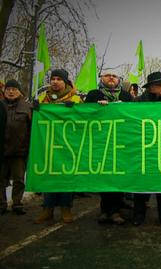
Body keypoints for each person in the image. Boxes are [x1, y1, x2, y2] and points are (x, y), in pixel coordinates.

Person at [85, 70, 133, 225]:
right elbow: (85, 115)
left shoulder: (126, 97)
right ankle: (105, 210)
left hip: (121, 143)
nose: (111, 78)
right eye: (107, 75)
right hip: (101, 143)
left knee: (117, 177)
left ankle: (115, 211)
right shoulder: (93, 95)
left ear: (119, 79)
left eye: (114, 76)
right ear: (101, 78)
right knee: (104, 177)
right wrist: (96, 108)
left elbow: (134, 116)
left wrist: (124, 108)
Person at [35, 69, 82, 224]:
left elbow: (83, 119)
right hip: (49, 145)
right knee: (49, 176)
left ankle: (65, 208)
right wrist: (34, 110)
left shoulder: (75, 98)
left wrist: (75, 109)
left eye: (58, 79)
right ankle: (47, 209)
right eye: (52, 79)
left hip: (69, 146)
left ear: (65, 82)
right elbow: (34, 121)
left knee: (67, 177)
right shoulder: (44, 98)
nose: (55, 82)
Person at [132, 71, 161, 226]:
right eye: (160, 84)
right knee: (140, 185)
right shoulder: (137, 103)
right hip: (142, 150)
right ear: (150, 87)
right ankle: (138, 215)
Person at [0, 80, 31, 216]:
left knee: (18, 180)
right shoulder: (0, 106)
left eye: (14, 89)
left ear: (19, 91)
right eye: (8, 89)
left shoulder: (27, 107)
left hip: (19, 151)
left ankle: (17, 203)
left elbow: (34, 128)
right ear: (4, 91)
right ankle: (2, 204)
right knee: (0, 179)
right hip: (2, 151)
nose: (11, 92)